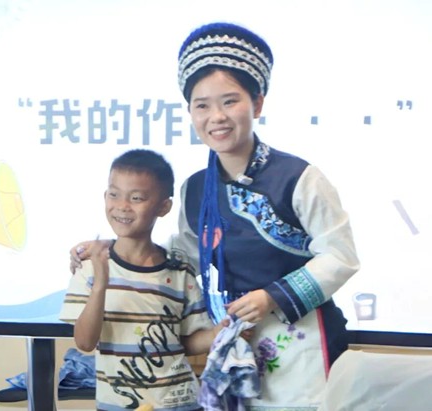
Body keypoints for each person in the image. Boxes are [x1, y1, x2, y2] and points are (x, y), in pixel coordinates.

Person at [71, 22, 361, 409]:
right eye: (202, 105)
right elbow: (185, 258)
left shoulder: (300, 178)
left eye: (230, 101)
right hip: (230, 345)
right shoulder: (195, 188)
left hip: (301, 348)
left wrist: (271, 297)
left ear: (257, 103)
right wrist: (116, 250)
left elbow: (340, 255)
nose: (217, 116)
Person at [60, 149, 229, 410]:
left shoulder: (179, 270)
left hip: (180, 403)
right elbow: (84, 343)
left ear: (164, 207)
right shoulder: (89, 266)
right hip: (117, 405)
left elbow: (183, 342)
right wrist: (101, 285)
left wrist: (218, 334)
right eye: (114, 194)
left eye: (136, 198)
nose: (122, 206)